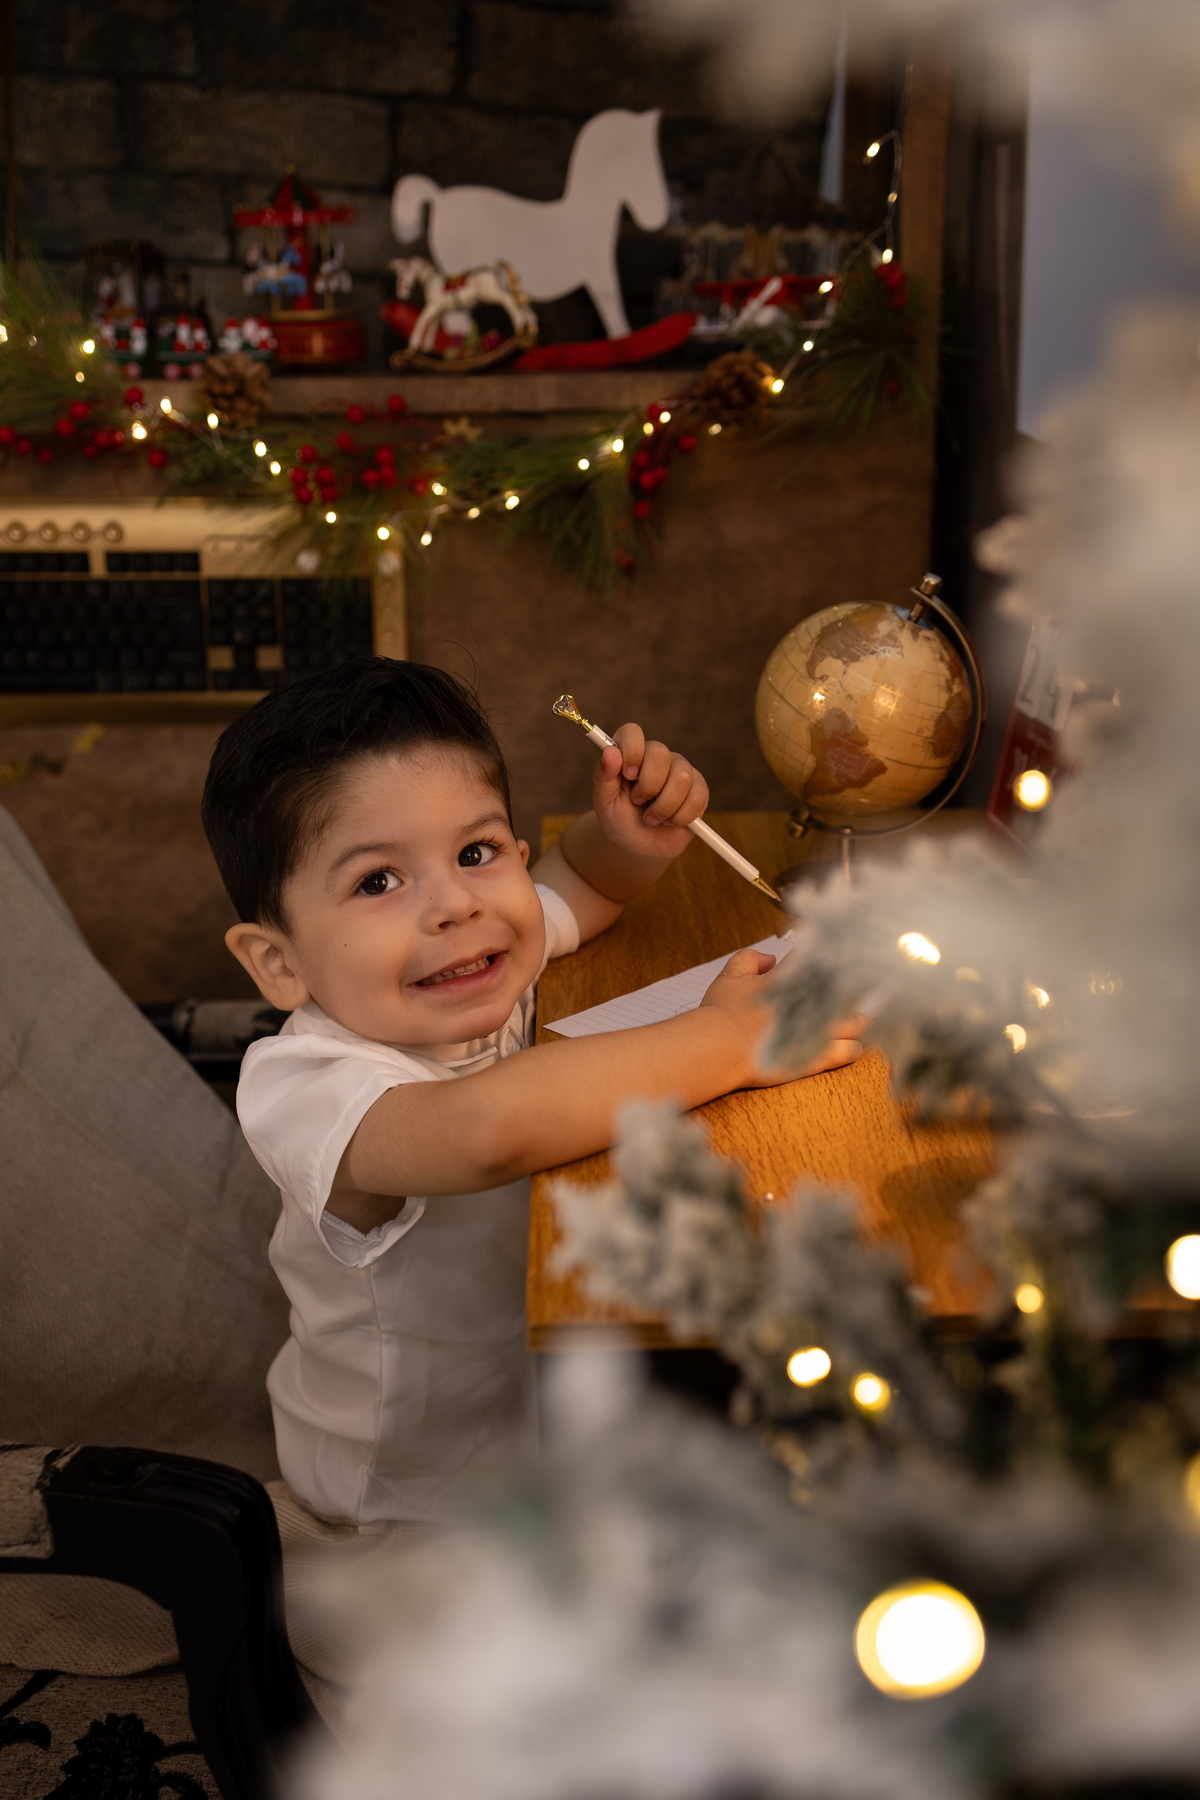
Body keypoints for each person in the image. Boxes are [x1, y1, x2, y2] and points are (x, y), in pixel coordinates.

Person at [201, 657, 864, 1530]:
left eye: (475, 852)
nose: (455, 906)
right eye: (377, 881)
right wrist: (729, 1040)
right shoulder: (308, 1085)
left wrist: (624, 840)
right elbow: (488, 1131)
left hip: (552, 1424)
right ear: (279, 963)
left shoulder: (469, 960)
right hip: (411, 1510)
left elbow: (577, 889)